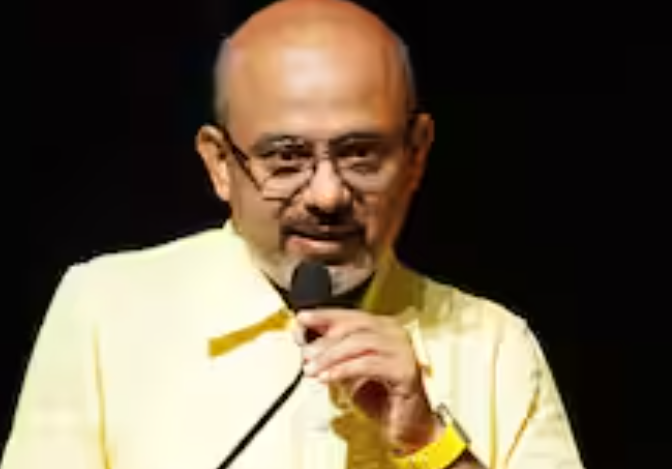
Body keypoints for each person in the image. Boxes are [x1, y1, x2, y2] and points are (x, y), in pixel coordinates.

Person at [2, 0, 585, 468]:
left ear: (416, 154)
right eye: (286, 157)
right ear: (219, 164)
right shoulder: (106, 311)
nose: (327, 195)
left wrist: (429, 444)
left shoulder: (495, 345)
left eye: (361, 154)